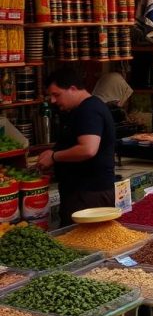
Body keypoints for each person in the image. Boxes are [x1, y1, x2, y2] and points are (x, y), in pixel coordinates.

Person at [37, 68, 116, 226]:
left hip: (88, 195)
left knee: (84, 245)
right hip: (81, 192)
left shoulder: (89, 110)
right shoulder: (80, 110)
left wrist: (54, 157)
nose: (52, 100)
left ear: (73, 89)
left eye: (56, 94)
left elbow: (88, 149)